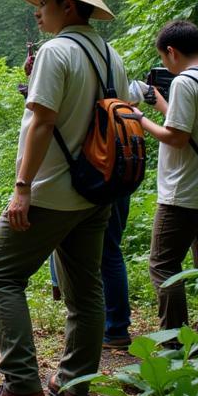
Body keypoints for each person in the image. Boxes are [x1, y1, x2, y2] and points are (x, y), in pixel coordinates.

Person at [0, 0, 131, 396]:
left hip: (51, 192)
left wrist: (23, 187)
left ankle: (21, 387)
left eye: (44, 2)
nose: (38, 11)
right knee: (86, 291)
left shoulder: (57, 52)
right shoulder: (109, 55)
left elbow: (43, 122)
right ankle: (75, 386)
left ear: (67, 3)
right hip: (95, 190)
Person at [136, 19, 198, 334]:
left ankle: (173, 343)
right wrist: (158, 102)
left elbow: (177, 137)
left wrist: (138, 119)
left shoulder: (184, 82)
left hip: (183, 193)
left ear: (172, 52)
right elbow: (193, 126)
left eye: (164, 57)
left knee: (163, 266)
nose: (166, 64)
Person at [47, 78, 152, 351]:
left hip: (95, 173)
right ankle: (114, 326)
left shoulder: (80, 84)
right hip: (118, 170)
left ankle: (114, 327)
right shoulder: (115, 76)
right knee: (109, 251)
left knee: (103, 252)